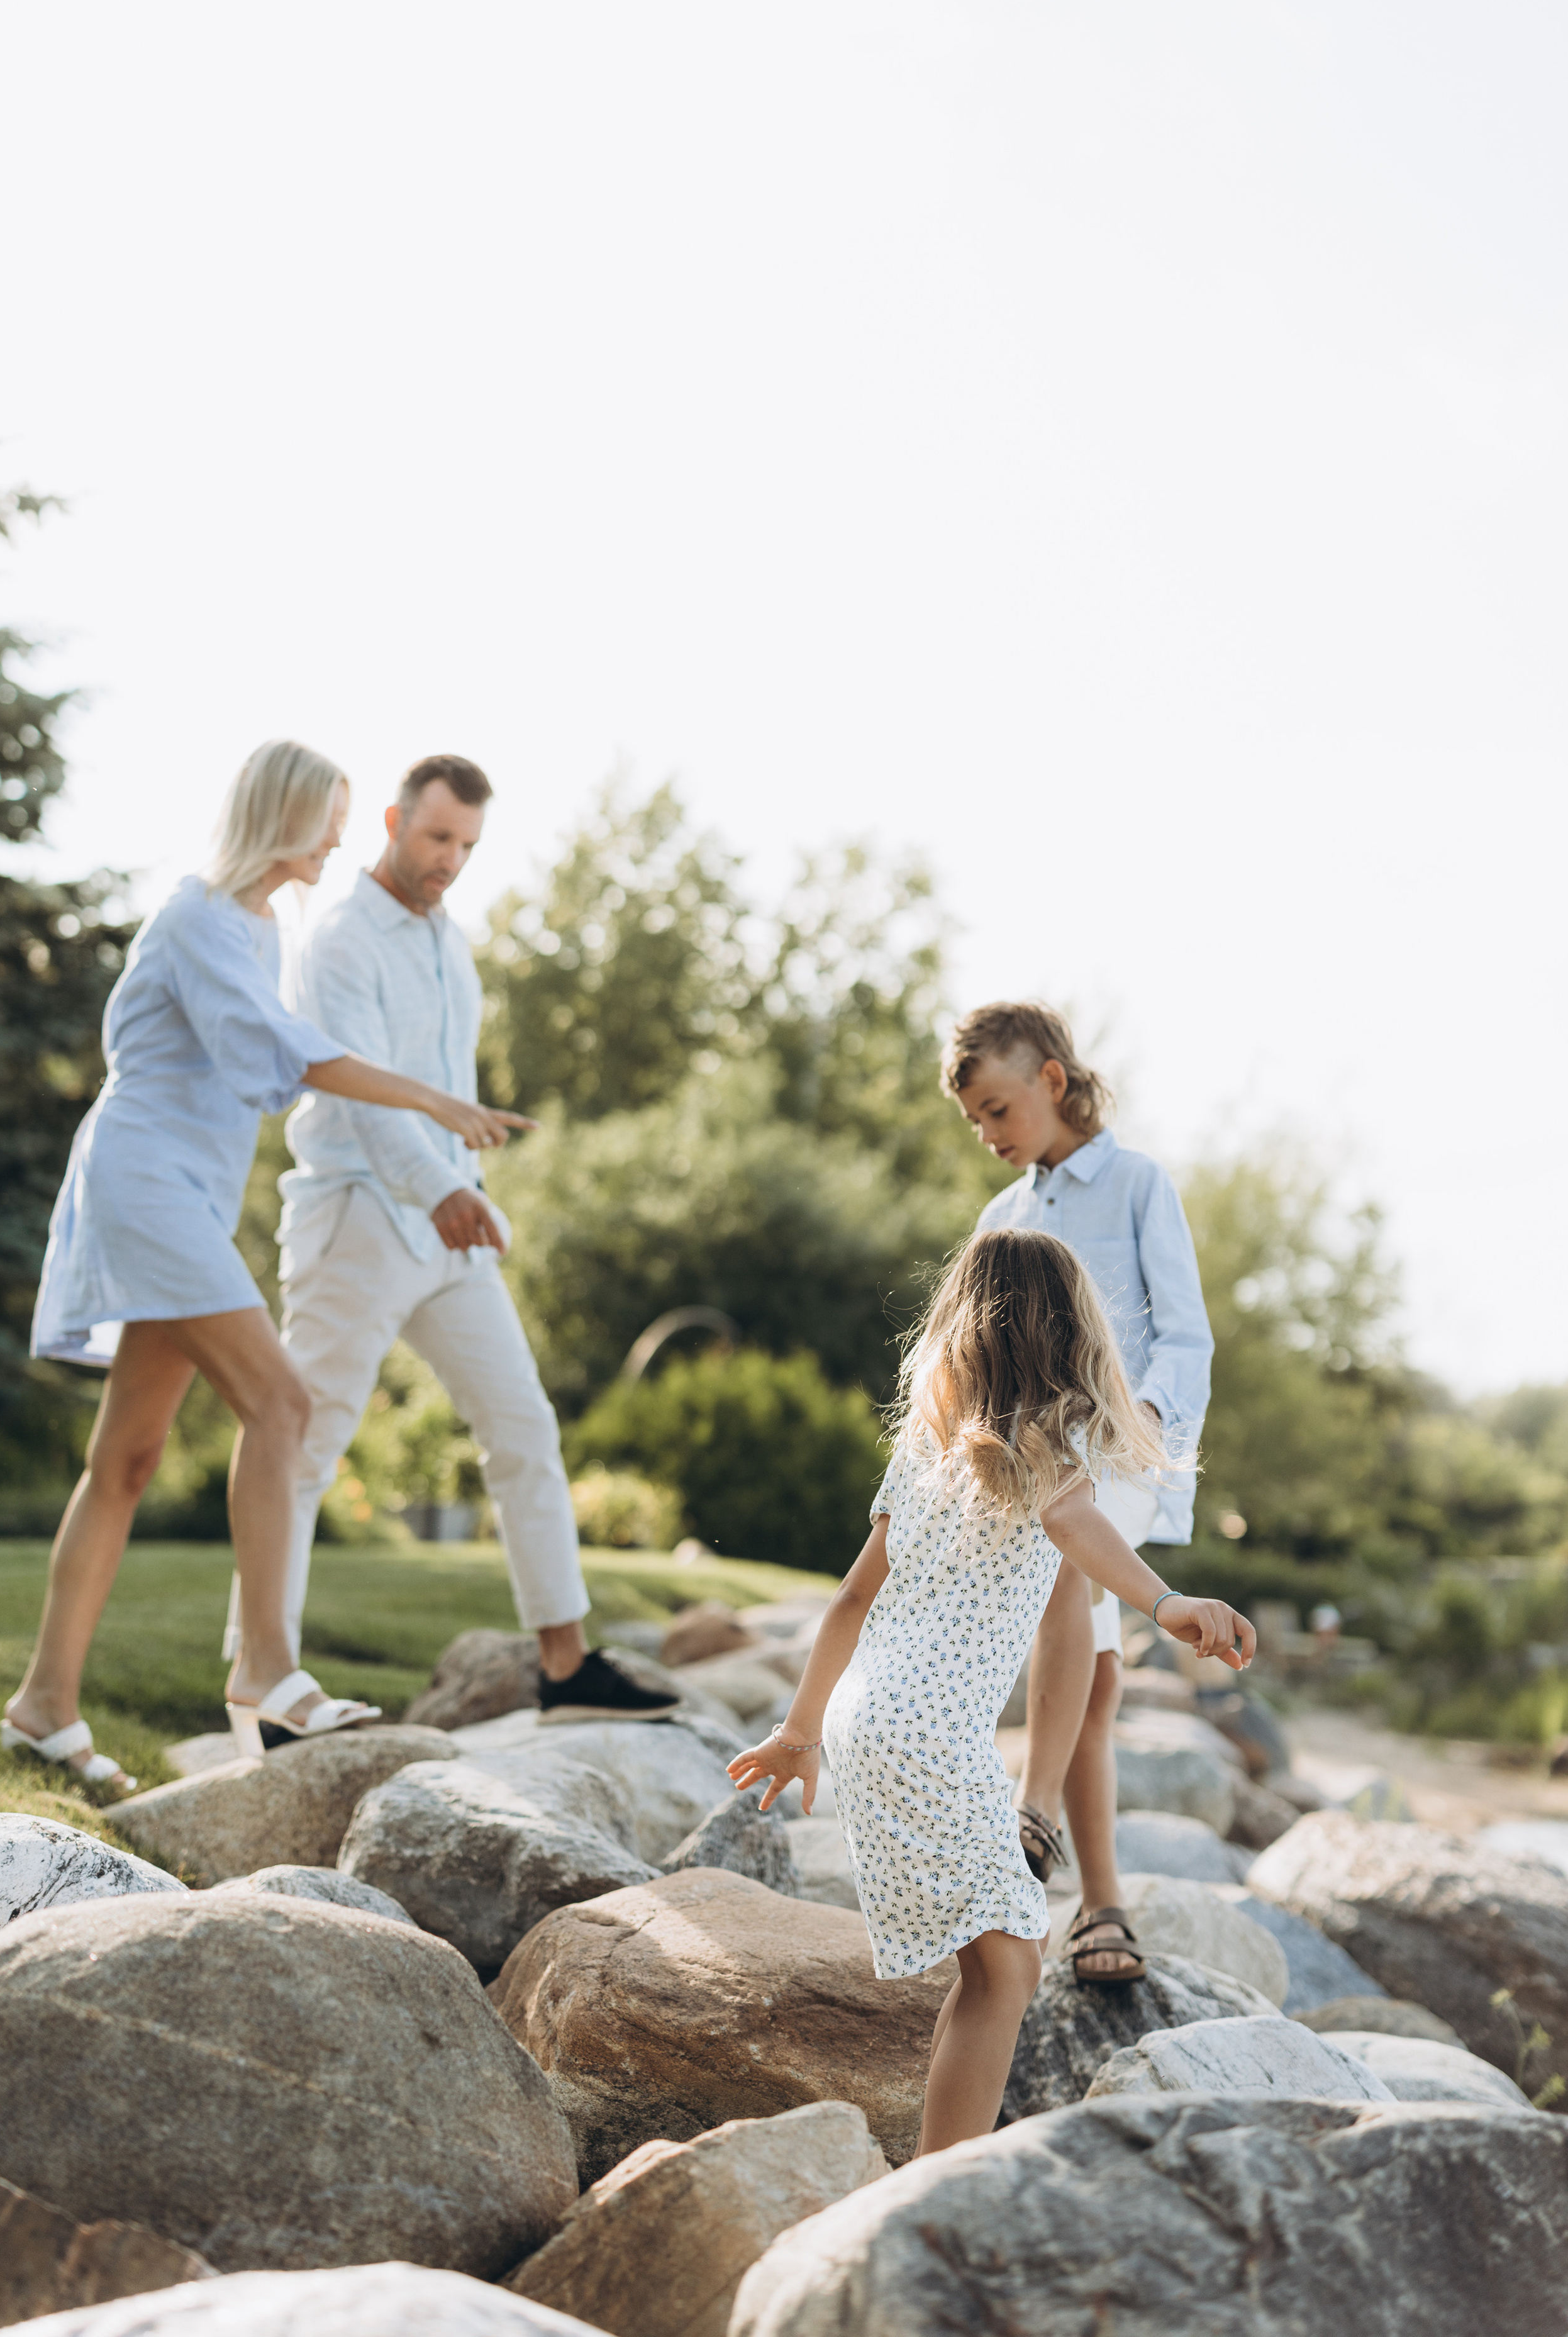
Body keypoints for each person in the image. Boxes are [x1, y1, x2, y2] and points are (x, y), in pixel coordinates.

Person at [10, 740, 525, 1791]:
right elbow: (289, 1049)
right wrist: (434, 1100)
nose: (341, 837)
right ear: (283, 817)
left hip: (185, 1189)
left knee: (130, 1460)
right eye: (329, 818)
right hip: (145, 1182)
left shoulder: (256, 925)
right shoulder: (200, 917)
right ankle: (269, 1673)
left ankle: (42, 1707)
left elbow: (277, 1049)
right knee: (282, 1404)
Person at [727, 1229, 1252, 2153]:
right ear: (1070, 1329)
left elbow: (852, 1599)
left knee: (993, 1964)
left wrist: (800, 1732)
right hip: (926, 1731)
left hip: (866, 1717)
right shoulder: (1049, 1435)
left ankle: (937, 2163)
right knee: (1008, 1969)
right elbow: (1076, 1523)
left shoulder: (931, 1445)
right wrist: (1166, 1600)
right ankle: (940, 2183)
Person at [243, 752, 675, 1723]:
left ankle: (565, 1663)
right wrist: (440, 1184)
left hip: (450, 1227)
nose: (450, 861)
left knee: (523, 1426)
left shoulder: (451, 941)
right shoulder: (342, 938)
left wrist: (462, 1188)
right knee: (302, 1448)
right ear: (393, 820)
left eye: (468, 846)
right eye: (438, 838)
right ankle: (263, 1688)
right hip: (358, 1217)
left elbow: (443, 1089)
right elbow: (357, 1091)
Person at [943, 1001, 1214, 1983]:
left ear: (1052, 1079)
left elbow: (1186, 1334)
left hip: (1126, 1450)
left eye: (999, 1106)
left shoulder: (1139, 1183)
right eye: (975, 1120)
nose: (989, 1133)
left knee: (1072, 1559)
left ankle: (1034, 1811)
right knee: (1094, 1682)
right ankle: (1102, 1907)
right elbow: (973, 1361)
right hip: (1033, 1468)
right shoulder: (1000, 1221)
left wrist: (1140, 1420)